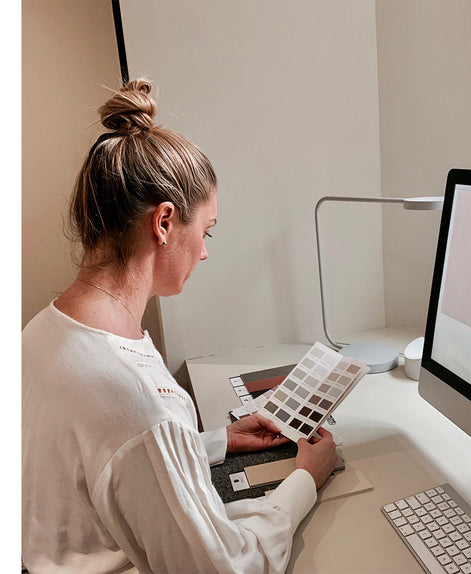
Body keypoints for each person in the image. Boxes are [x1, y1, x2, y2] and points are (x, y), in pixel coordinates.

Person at [22, 79, 339, 573]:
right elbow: (228, 569)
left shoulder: (41, 333)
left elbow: (106, 458)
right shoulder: (138, 401)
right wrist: (305, 479)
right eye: (206, 230)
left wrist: (216, 441)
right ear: (165, 222)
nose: (207, 250)